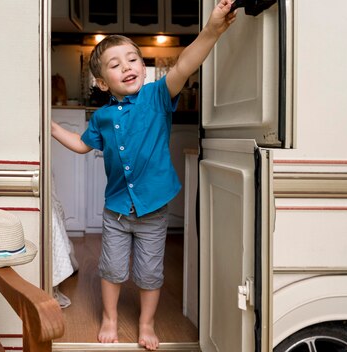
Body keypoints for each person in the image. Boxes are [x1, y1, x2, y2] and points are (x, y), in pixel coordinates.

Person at [51, 0, 237, 350]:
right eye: (115, 65)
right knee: (112, 269)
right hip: (117, 211)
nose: (128, 67)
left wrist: (212, 30)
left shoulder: (157, 96)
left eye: (133, 59)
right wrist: (49, 126)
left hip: (153, 209)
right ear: (102, 82)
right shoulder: (103, 117)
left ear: (143, 66)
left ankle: (147, 323)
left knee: (150, 272)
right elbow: (80, 144)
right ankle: (109, 317)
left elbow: (184, 64)